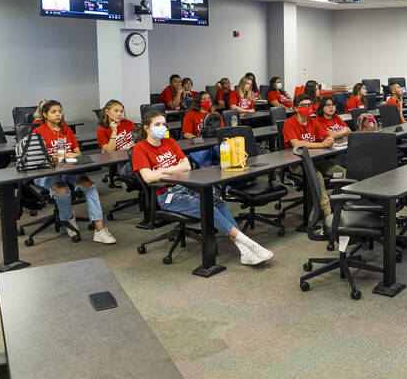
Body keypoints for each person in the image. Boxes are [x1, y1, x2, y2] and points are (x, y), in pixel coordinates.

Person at [132, 109, 273, 266]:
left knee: (218, 203)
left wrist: (162, 171)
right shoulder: (140, 148)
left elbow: (186, 167)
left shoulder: (170, 142)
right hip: (168, 195)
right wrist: (174, 169)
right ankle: (248, 244)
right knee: (208, 208)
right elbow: (148, 177)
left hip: (187, 186)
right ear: (146, 127)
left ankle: (244, 249)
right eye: (157, 124)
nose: (162, 128)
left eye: (164, 124)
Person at [30, 99, 115, 244]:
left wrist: (73, 155)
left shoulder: (66, 130)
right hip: (46, 173)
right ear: (44, 114)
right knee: (63, 191)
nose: (58, 115)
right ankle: (68, 219)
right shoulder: (37, 132)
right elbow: (35, 159)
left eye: (60, 111)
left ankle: (100, 230)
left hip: (68, 169)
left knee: (90, 186)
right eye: (53, 112)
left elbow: (78, 152)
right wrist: (52, 158)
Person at [282, 96, 341, 216]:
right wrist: (321, 144)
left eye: (309, 104)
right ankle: (327, 212)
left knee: (343, 172)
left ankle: (338, 204)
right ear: (296, 108)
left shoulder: (313, 121)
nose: (307, 107)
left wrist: (329, 139)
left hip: (317, 159)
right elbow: (296, 144)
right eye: (303, 105)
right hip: (298, 163)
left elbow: (326, 136)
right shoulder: (289, 123)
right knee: (317, 175)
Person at [181, 91, 222, 166]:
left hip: (214, 142)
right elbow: (186, 134)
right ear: (198, 102)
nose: (207, 100)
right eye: (204, 99)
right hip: (200, 144)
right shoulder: (190, 114)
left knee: (219, 149)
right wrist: (197, 139)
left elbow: (222, 130)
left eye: (209, 98)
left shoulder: (216, 115)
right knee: (206, 153)